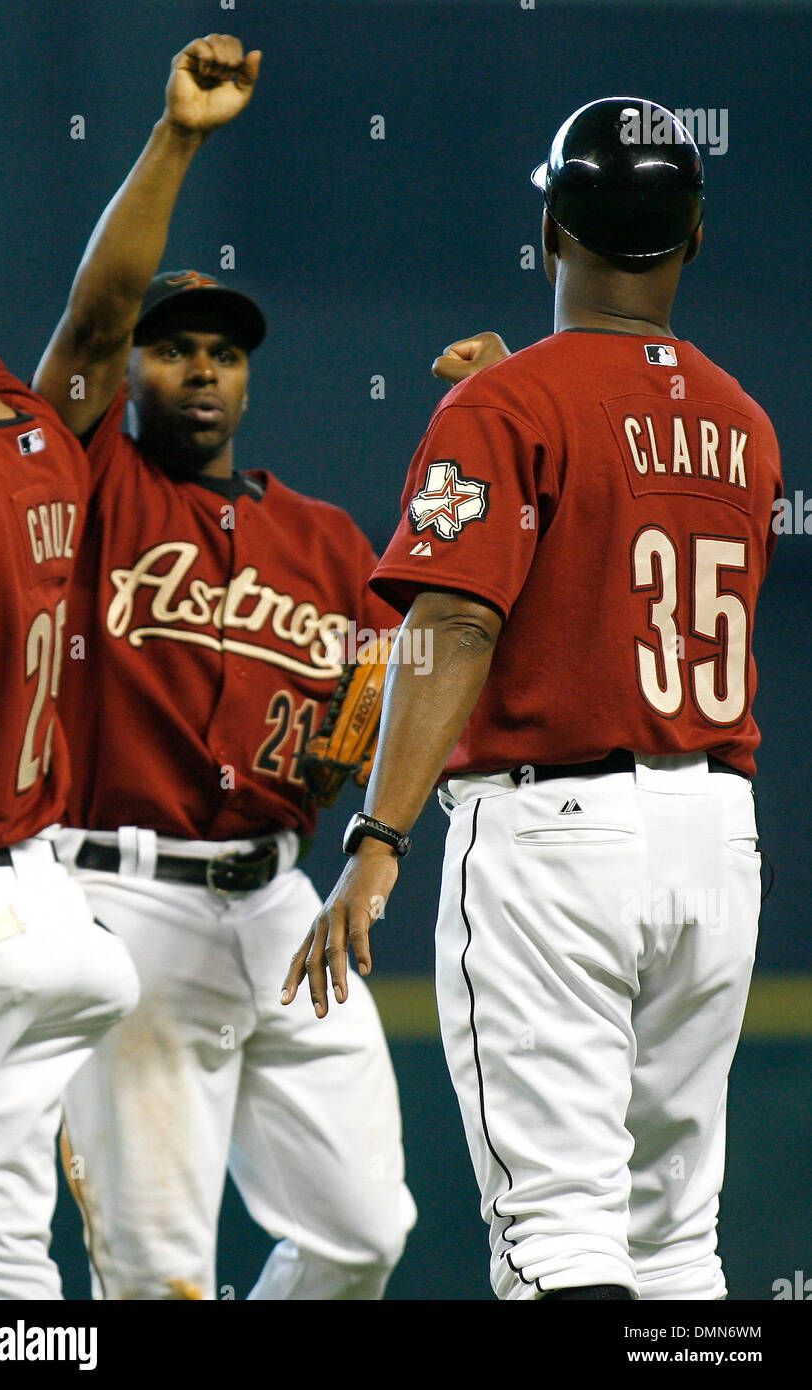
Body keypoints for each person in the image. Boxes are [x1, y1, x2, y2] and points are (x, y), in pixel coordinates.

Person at [282, 97, 783, 1301]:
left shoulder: (506, 409)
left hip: (555, 841)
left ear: (549, 226)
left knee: (557, 1234)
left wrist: (378, 838)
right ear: (696, 236)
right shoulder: (743, 424)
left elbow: (451, 625)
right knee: (674, 1248)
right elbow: (616, 535)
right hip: (713, 840)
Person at [31, 34, 415, 1300]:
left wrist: (348, 764)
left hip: (279, 906)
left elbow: (380, 701)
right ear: (130, 370)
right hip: (121, 899)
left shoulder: (324, 540)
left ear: (248, 375)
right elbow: (89, 318)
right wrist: (179, 137)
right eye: (172, 346)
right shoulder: (91, 481)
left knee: (363, 1235)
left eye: (224, 350)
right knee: (157, 1281)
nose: (199, 367)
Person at [0, 228, 138, 1300]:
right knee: (0, 1265)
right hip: (54, 924)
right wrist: (174, 145)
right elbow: (100, 318)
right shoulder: (34, 443)